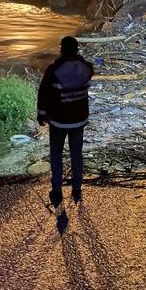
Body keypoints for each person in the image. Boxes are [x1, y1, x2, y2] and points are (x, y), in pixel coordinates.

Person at [38, 36, 94, 205]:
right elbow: (89, 68)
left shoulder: (54, 70)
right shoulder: (85, 69)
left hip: (58, 121)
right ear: (76, 50)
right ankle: (77, 189)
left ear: (61, 50)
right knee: (76, 154)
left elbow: (44, 93)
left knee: (56, 155)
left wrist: (41, 114)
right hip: (78, 120)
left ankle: (57, 191)